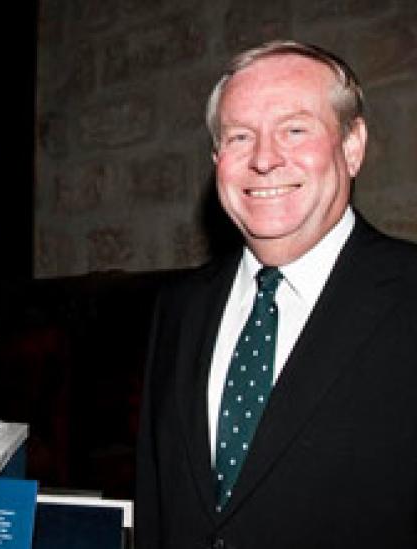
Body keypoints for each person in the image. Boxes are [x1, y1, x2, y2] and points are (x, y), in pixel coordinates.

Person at [136, 40, 417, 548]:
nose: (264, 159)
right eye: (240, 137)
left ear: (352, 147)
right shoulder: (178, 309)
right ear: (217, 157)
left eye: (294, 130)